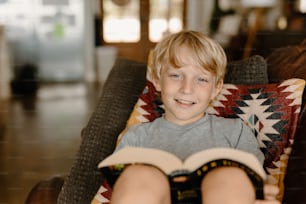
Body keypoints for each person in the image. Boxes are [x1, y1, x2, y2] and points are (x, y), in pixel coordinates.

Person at [110, 30, 280, 204]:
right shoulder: (137, 136)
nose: (187, 89)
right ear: (157, 80)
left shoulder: (235, 131)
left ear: (216, 88)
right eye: (176, 75)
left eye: (201, 80)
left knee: (231, 178)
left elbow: (259, 183)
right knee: (136, 176)